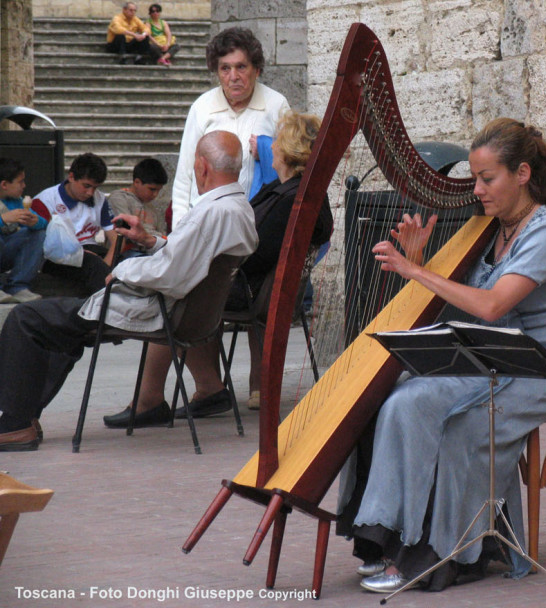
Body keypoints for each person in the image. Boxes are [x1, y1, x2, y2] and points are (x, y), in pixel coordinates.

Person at [342, 118, 546, 593]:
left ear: (521, 173)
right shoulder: (491, 232)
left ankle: (449, 553)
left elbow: (494, 304)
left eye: (486, 178)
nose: (476, 189)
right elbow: (468, 303)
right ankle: (387, 537)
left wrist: (416, 271)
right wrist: (425, 262)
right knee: (402, 397)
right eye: (474, 179)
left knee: (463, 429)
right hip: (495, 359)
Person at [0, 131, 258, 451]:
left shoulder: (212, 212)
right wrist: (151, 241)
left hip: (160, 310)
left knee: (25, 318)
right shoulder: (239, 208)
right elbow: (187, 259)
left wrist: (120, 271)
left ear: (202, 167)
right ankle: (22, 417)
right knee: (56, 325)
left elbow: (169, 274)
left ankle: (14, 422)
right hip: (187, 314)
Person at [102, 112, 332, 426]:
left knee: (173, 291)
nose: (271, 147)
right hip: (249, 285)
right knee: (184, 282)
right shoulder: (290, 192)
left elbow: (249, 253)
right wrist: (158, 241)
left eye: (277, 141)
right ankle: (207, 389)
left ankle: (151, 400)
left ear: (289, 150)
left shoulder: (292, 199)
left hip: (253, 292)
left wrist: (195, 254)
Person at [171, 27, 290, 230]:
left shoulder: (276, 105)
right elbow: (184, 175)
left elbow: (291, 168)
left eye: (241, 67)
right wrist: (179, 228)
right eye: (225, 68)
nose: (233, 76)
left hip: (256, 224)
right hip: (204, 224)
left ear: (257, 69)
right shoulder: (202, 107)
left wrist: (266, 150)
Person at [32, 153, 117, 297]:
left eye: (95, 188)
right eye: (86, 186)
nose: (90, 192)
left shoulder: (100, 199)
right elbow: (39, 243)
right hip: (57, 256)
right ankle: (105, 310)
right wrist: (79, 253)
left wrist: (108, 262)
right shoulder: (45, 200)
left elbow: (117, 238)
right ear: (71, 177)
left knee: (126, 261)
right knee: (94, 265)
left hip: (91, 250)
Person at [0, 157, 46, 303]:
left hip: (6, 252)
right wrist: (3, 219)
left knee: (38, 234)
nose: (24, 186)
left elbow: (43, 223)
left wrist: (35, 221)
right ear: (4, 184)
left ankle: (17, 286)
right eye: (20, 182)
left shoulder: (16, 201)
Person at [107, 158, 169, 240]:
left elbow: (162, 234)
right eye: (152, 189)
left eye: (158, 190)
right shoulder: (118, 199)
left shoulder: (152, 208)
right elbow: (127, 229)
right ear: (137, 182)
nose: (155, 194)